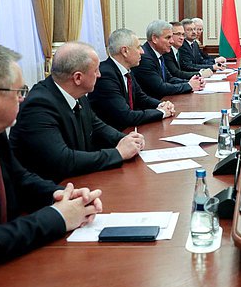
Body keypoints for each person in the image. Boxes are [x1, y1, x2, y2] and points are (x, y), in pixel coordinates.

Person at [0, 43, 102, 275]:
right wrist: (57, 217)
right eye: (19, 92)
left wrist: (62, 195)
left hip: (8, 264)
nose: (22, 99)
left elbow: (20, 180)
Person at [10, 42, 145, 183]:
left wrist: (126, 139)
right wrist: (118, 153)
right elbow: (63, 160)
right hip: (51, 191)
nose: (99, 75)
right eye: (96, 70)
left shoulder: (77, 93)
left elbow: (97, 125)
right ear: (78, 78)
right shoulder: (38, 106)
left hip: (78, 181)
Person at [88, 29, 175, 131]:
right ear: (125, 51)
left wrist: (162, 105)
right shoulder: (106, 75)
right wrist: (162, 112)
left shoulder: (127, 70)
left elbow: (142, 98)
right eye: (138, 47)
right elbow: (126, 116)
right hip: (114, 137)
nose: (142, 52)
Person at [132, 20, 204, 99]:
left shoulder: (159, 53)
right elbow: (160, 88)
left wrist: (193, 82)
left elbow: (169, 79)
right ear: (154, 38)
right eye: (168, 38)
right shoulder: (145, 58)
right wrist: (189, 85)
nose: (172, 41)